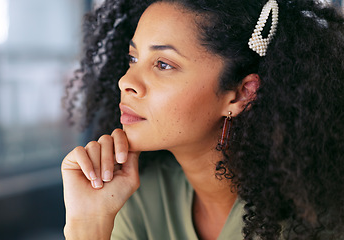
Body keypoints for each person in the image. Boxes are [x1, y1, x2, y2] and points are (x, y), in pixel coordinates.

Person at [62, 0, 344, 239]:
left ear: (239, 94)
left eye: (163, 64)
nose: (126, 81)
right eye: (133, 58)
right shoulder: (131, 195)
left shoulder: (310, 223)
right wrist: (88, 223)